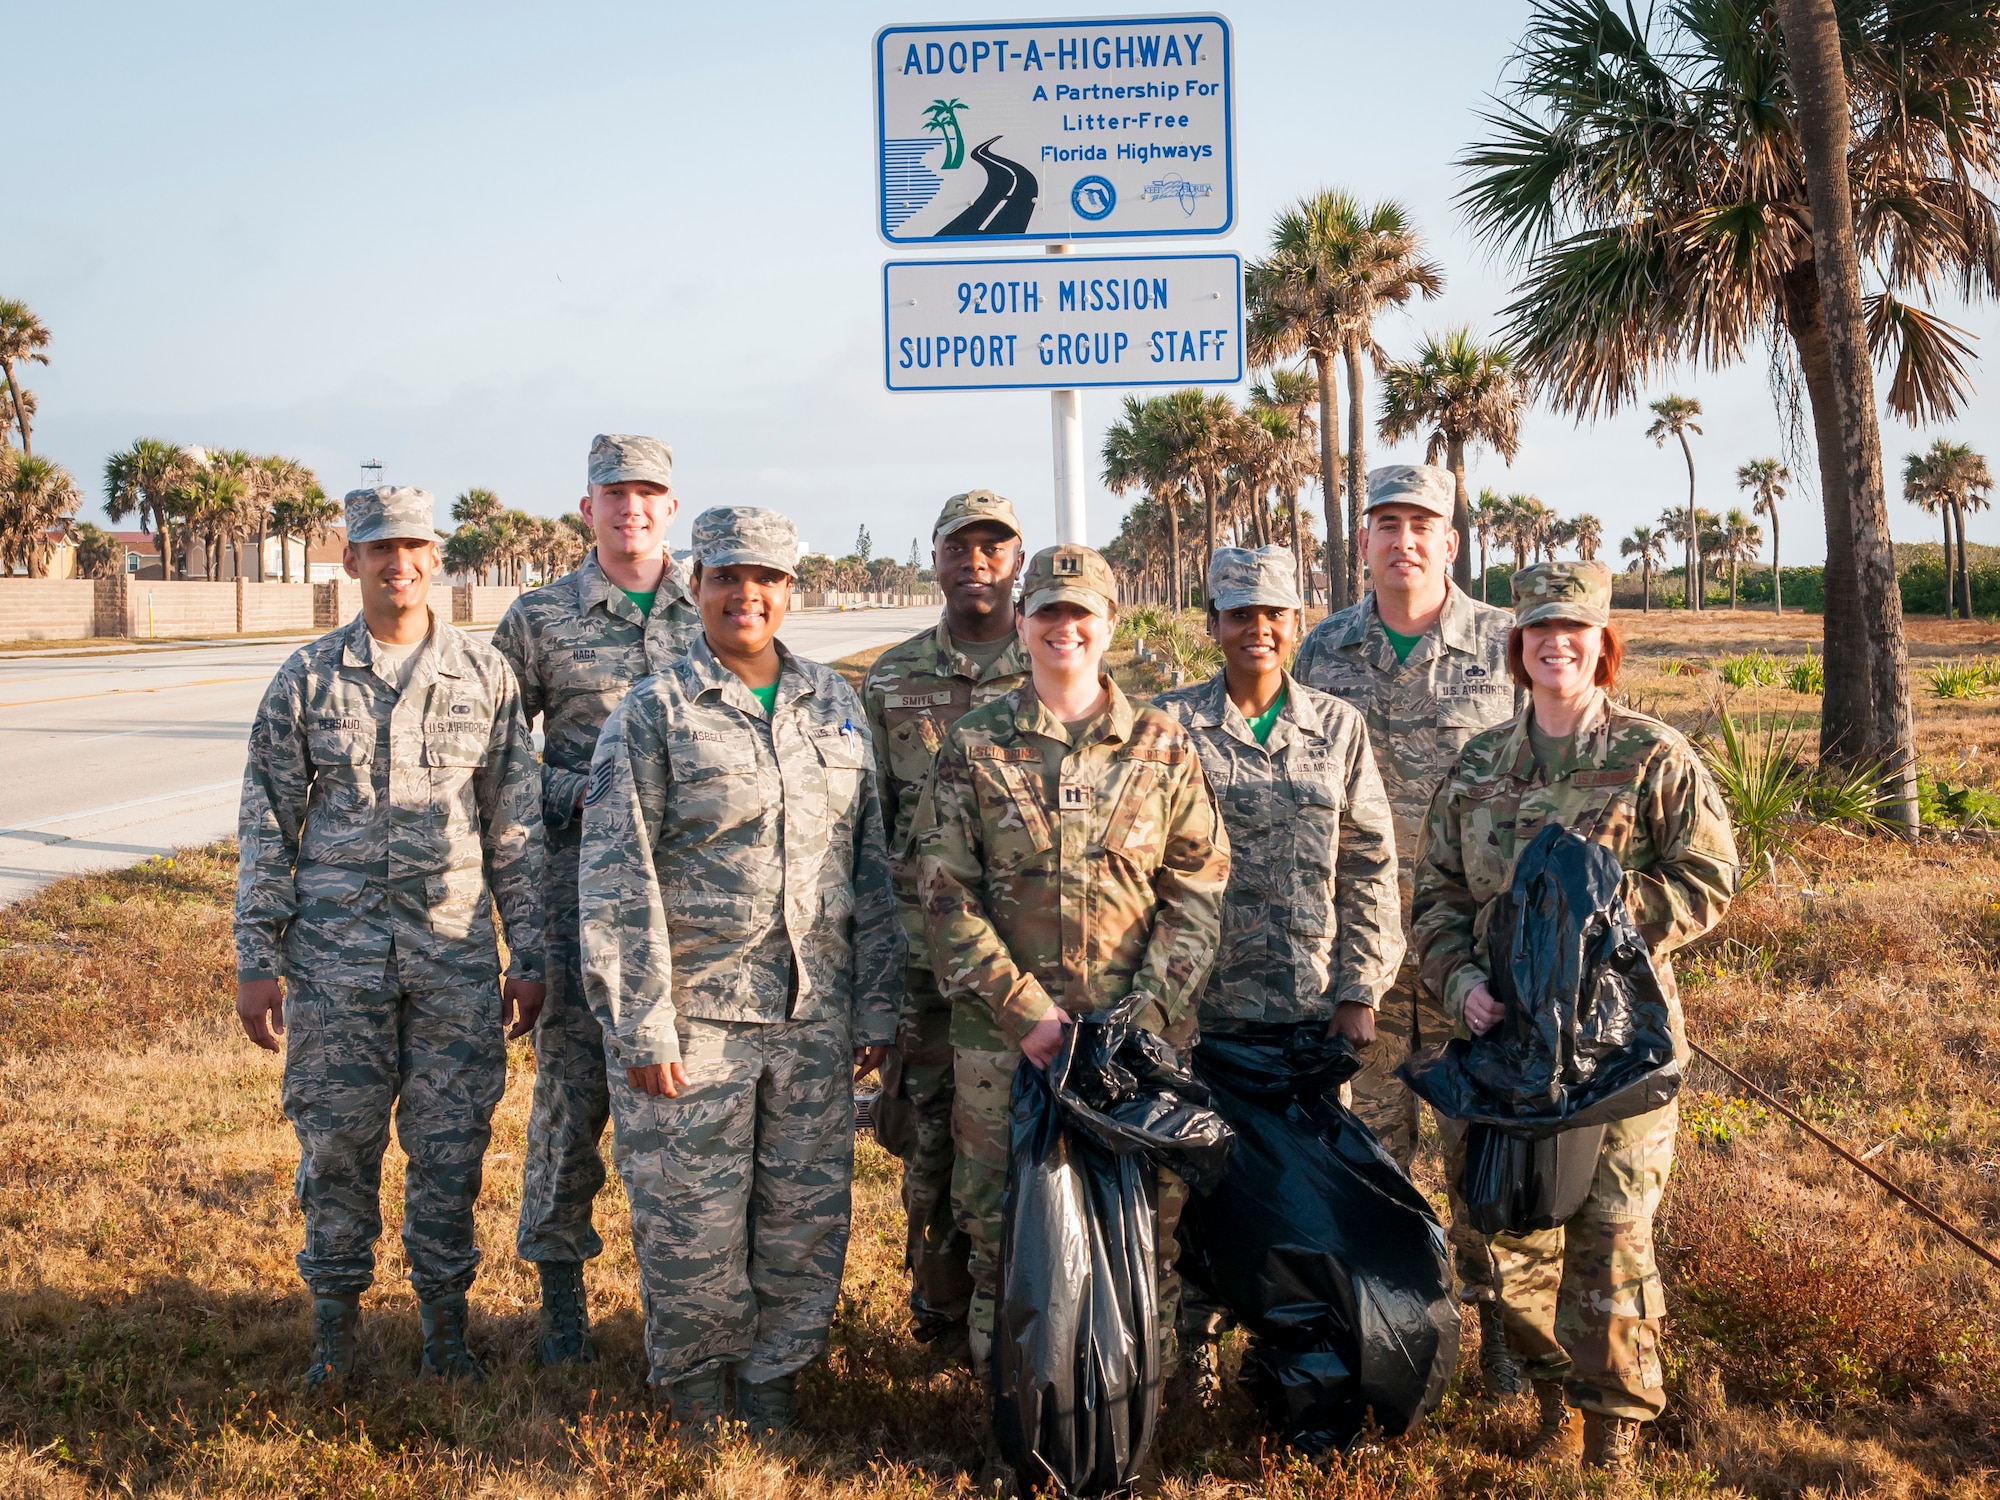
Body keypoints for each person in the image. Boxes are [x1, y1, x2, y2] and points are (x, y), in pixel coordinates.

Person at [577, 506, 902, 1430]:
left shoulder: (833, 704)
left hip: (813, 1018)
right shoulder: (653, 713)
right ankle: (695, 1402)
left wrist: (875, 1008)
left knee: (802, 1222)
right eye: (727, 576)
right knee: (692, 1226)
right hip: (696, 1021)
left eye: (766, 578)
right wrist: (641, 1022)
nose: (745, 594)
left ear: (789, 591)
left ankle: (772, 1392)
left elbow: (866, 863)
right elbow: (613, 879)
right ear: (696, 584)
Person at [1410, 560, 1738, 1473]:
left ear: (1603, 645)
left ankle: (1612, 1439)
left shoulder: (1653, 756)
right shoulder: (1479, 767)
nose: (1557, 643)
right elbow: (1433, 897)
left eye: (1575, 629)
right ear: (1517, 649)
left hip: (1616, 1052)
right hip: (1505, 1044)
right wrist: (1459, 982)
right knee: (1502, 1238)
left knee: (1611, 1243)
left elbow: (1710, 880)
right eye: (1539, 630)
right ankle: (1551, 1389)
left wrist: (1606, 919)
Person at [234, 484, 546, 1388]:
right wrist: (258, 957)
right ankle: (333, 1328)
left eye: (413, 547)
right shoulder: (306, 678)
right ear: (351, 561)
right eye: (380, 549)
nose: (398, 564)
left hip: (452, 962)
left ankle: (444, 1328)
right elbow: (266, 822)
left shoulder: (485, 677)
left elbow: (513, 830)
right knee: (336, 1148)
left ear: (436, 560)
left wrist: (526, 952)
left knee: (450, 1153)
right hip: (335, 969)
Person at [916, 543, 1230, 1406]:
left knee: (1143, 1235)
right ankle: (1017, 1428)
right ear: (1022, 624)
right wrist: (1027, 1015)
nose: (1065, 628)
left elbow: (1198, 888)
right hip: (1005, 1047)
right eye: (1048, 612)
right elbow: (944, 893)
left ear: (1109, 625)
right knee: (1000, 1236)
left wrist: (1148, 1012)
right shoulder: (976, 745)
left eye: (1081, 612)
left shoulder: (1164, 746)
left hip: (1138, 1047)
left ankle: (1134, 1429)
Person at [1291, 462, 1526, 1393]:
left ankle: (1505, 1332)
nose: (1404, 541)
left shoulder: (1504, 644)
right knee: (1374, 1157)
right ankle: (1394, 1335)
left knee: (1488, 1158)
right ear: (1364, 542)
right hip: (1366, 956)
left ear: (1451, 541)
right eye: (1386, 523)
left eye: (1422, 524)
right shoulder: (1322, 651)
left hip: (1474, 956)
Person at [1155, 545, 1404, 1397]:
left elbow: (1368, 863)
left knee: (1295, 1195)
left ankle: (1289, 1350)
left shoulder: (1337, 727)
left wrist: (1359, 988)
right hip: (1198, 1013)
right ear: (1213, 623)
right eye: (1239, 614)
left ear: (1297, 624)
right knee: (1191, 1186)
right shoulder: (1167, 726)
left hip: (1304, 1012)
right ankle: (1188, 1348)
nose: (1256, 629)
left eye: (1274, 614)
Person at [492, 432, 700, 1365]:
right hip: (582, 903)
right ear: (587, 509)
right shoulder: (539, 619)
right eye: (613, 495)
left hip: (698, 909)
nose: (631, 510)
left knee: (688, 1107)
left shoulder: (716, 611)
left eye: (648, 494)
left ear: (671, 506)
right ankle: (561, 1293)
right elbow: (496, 764)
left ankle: (686, 1298)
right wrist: (574, 789)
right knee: (572, 1105)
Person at [860, 489, 1031, 1354]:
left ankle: (1012, 1310)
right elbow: (864, 824)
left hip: (1024, 962)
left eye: (993, 548)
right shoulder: (891, 679)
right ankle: (936, 1302)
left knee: (1007, 1140)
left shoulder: (1049, 666)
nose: (976, 562)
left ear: (1017, 564)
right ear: (935, 560)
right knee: (927, 1138)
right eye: (960, 547)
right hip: (922, 963)